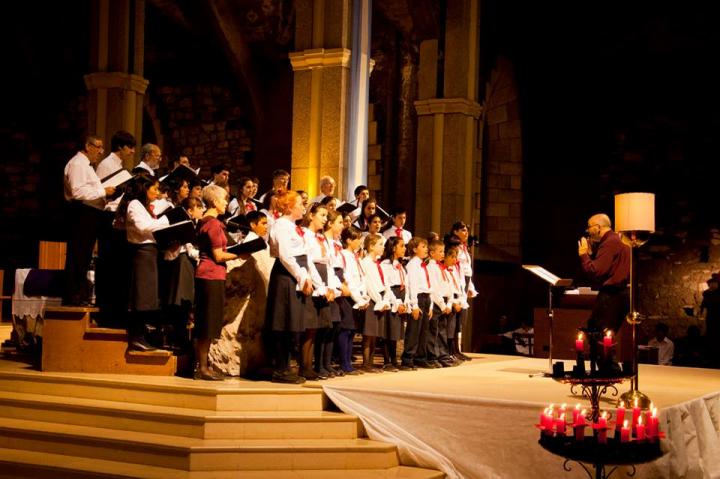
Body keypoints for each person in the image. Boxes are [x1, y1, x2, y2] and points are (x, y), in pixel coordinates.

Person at [265, 191, 315, 384]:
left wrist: (306, 275)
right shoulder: (281, 226)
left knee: (293, 322)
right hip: (287, 275)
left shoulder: (292, 227)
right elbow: (286, 256)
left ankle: (286, 366)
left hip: (296, 274)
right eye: (301, 204)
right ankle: (280, 368)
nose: (304, 207)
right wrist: (301, 276)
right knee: (283, 321)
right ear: (289, 207)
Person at [116, 175, 170, 352]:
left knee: (147, 296)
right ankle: (136, 336)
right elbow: (143, 227)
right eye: (154, 188)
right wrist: (166, 221)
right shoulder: (134, 204)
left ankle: (141, 335)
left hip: (150, 252)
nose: (156, 192)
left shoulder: (143, 206)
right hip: (141, 252)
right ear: (143, 188)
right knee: (141, 296)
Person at [62, 135, 115, 305]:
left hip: (89, 214)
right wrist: (103, 192)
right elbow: (78, 192)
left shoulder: (87, 166)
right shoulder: (78, 164)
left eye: (102, 147)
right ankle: (72, 296)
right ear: (87, 146)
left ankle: (78, 294)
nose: (101, 151)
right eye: (98, 147)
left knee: (84, 256)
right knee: (78, 255)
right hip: (81, 213)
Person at [194, 185, 239, 380]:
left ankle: (204, 366)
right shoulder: (212, 224)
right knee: (207, 323)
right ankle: (202, 368)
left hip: (212, 275)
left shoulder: (210, 222)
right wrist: (240, 253)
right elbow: (219, 255)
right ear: (214, 202)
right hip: (210, 275)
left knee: (210, 323)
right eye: (223, 200)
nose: (226, 203)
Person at [578, 213, 631, 333]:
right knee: (605, 335)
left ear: (598, 227)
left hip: (612, 295)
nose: (588, 231)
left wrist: (583, 255)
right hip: (621, 294)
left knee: (598, 333)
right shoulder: (619, 238)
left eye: (589, 227)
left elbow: (596, 271)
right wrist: (592, 255)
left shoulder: (610, 242)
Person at [360, 233, 391, 372]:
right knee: (369, 334)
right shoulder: (366, 262)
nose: (383, 247)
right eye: (380, 245)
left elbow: (384, 282)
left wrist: (386, 298)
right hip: (372, 300)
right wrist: (379, 300)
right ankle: (366, 363)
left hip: (380, 299)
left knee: (375, 334)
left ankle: (371, 362)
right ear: (371, 246)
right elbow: (369, 285)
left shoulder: (377, 263)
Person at [401, 237, 431, 370]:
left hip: (425, 297)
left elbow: (427, 284)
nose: (426, 249)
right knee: (414, 330)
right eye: (423, 247)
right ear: (414, 249)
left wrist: (429, 305)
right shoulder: (413, 264)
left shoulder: (423, 264)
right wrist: (414, 304)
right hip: (417, 298)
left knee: (423, 330)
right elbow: (412, 285)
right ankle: (408, 358)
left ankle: (420, 357)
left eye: (426, 247)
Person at [379, 237, 409, 371]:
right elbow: (387, 287)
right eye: (402, 246)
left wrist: (405, 301)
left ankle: (394, 359)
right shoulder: (385, 265)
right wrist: (396, 302)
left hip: (401, 297)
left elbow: (406, 285)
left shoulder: (401, 266)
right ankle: (387, 361)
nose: (404, 249)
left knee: (396, 331)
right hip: (391, 297)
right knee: (388, 330)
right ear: (393, 248)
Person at [700, 274, 720, 366]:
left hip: (716, 321)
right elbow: (704, 309)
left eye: (712, 283)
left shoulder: (711, 294)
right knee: (712, 342)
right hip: (711, 322)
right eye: (709, 284)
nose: (710, 285)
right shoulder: (707, 295)